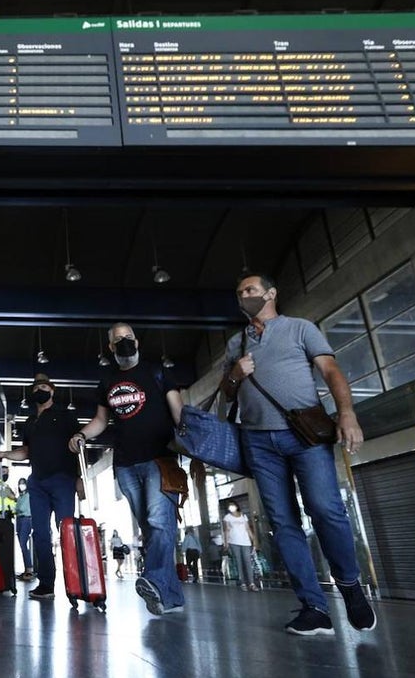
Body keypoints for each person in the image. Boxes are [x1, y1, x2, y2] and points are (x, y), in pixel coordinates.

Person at [221, 270, 376, 636]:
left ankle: (350, 586)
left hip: (304, 436)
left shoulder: (300, 328)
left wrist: (347, 412)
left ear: (271, 293)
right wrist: (236, 375)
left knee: (325, 508)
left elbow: (331, 370)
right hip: (258, 442)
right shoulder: (236, 342)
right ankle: (313, 607)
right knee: (283, 523)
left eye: (251, 289)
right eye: (240, 291)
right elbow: (227, 393)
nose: (244, 294)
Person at [70, 323, 186, 616]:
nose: (124, 342)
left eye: (128, 338)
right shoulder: (107, 380)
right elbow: (100, 421)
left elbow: (179, 414)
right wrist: (82, 434)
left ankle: (153, 579)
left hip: (161, 459)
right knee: (150, 529)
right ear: (110, 347)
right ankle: (170, 598)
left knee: (160, 522)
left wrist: (190, 445)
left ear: (137, 341)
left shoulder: (157, 372)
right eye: (117, 340)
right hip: (125, 464)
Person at [0, 374, 79, 599]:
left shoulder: (65, 416)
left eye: (44, 386)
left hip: (62, 480)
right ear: (32, 393)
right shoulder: (30, 422)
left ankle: (77, 584)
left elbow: (78, 445)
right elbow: (26, 451)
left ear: (52, 390)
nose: (41, 389)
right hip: (37, 483)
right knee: (39, 534)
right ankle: (47, 584)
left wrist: (78, 481)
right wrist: (4, 454)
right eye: (37, 387)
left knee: (67, 530)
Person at [222, 502, 259, 592]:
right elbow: (226, 530)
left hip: (245, 542)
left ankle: (251, 583)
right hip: (234, 542)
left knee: (247, 562)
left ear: (236, 506)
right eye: (229, 506)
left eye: (232, 505)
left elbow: (247, 528)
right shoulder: (227, 517)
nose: (231, 507)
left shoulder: (243, 516)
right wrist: (226, 543)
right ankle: (243, 583)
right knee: (239, 562)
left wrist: (254, 539)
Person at [13, 478, 34, 582]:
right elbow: (17, 508)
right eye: (20, 483)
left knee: (23, 543)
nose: (21, 485)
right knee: (22, 545)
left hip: (26, 519)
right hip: (19, 520)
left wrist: (16, 509)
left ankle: (29, 569)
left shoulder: (28, 495)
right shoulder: (20, 497)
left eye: (23, 484)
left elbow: (21, 508)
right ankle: (26, 569)